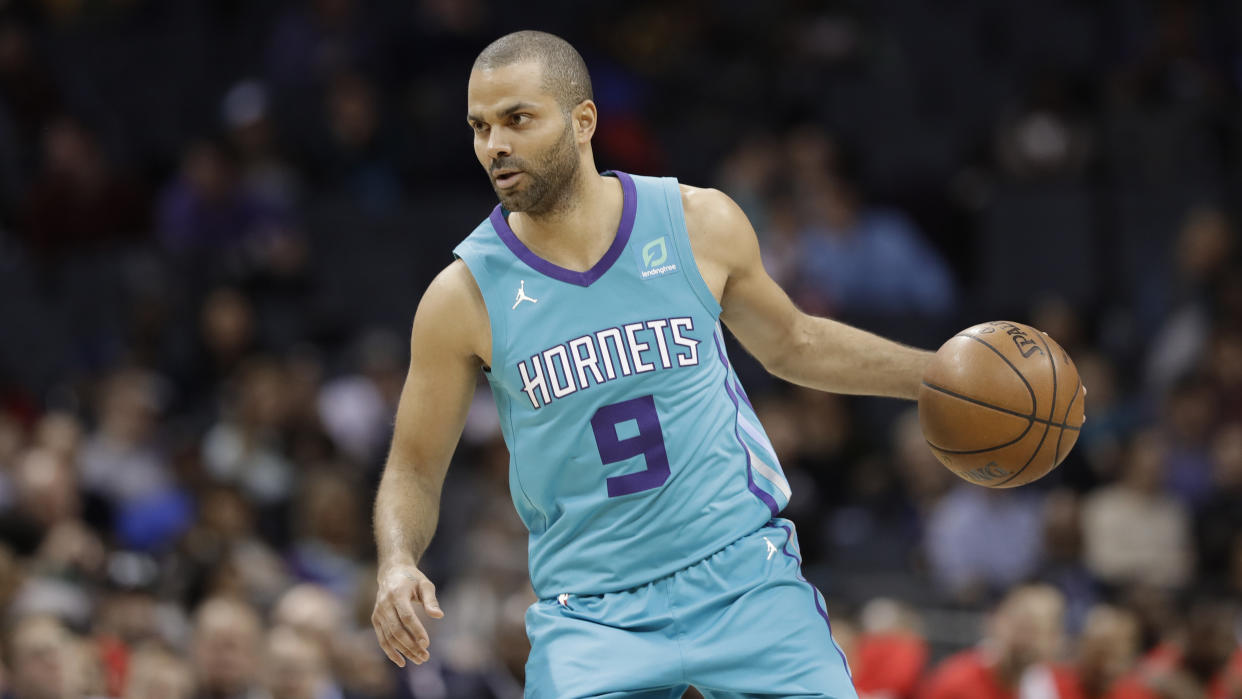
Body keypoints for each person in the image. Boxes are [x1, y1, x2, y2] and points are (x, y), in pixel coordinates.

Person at [371, 30, 933, 698]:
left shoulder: (697, 222)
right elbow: (412, 465)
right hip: (592, 612)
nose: (494, 144)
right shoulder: (461, 297)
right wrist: (397, 560)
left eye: (517, 119)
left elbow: (795, 343)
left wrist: (938, 376)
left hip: (743, 579)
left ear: (583, 121)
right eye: (479, 126)